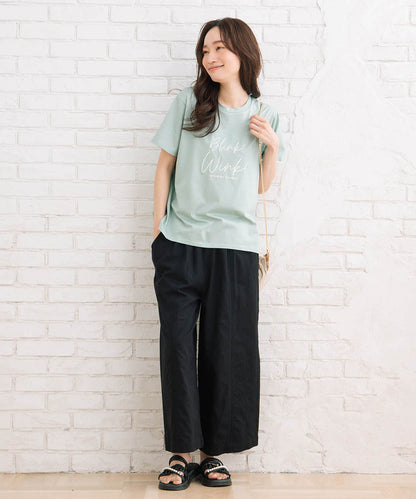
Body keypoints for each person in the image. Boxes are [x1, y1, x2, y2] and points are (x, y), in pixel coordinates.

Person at [151, 17, 285, 491]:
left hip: (235, 249)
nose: (211, 57)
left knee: (227, 352)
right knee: (177, 348)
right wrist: (158, 234)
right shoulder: (189, 103)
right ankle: (180, 453)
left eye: (220, 48)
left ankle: (213, 454)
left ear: (243, 53)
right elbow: (164, 167)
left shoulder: (265, 114)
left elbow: (261, 186)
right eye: (205, 50)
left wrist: (272, 147)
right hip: (181, 245)